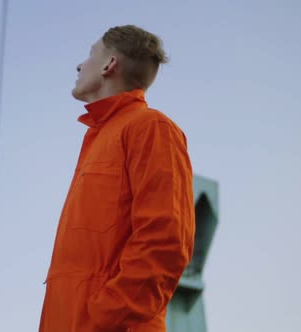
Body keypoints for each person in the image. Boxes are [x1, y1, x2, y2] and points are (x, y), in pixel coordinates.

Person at [39, 25, 195, 332]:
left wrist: (104, 319)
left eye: (90, 54)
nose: (80, 64)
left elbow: (165, 240)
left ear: (110, 65)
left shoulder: (150, 128)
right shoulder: (99, 140)